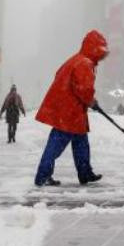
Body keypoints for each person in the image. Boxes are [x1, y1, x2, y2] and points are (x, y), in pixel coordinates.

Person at [33, 30, 109, 187]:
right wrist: (92, 102)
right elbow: (84, 89)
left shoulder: (76, 60)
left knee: (81, 143)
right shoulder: (84, 63)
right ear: (94, 49)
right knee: (55, 146)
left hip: (71, 111)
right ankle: (42, 176)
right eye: (100, 53)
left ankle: (85, 173)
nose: (101, 58)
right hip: (69, 113)